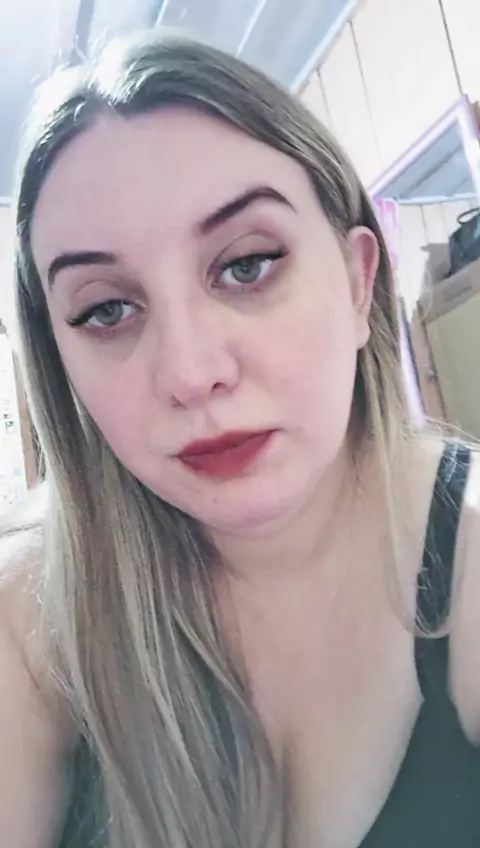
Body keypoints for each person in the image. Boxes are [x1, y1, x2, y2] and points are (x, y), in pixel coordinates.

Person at [1, 30, 479, 848]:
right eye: (107, 310)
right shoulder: (29, 610)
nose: (191, 373)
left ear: (358, 281)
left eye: (247, 265)